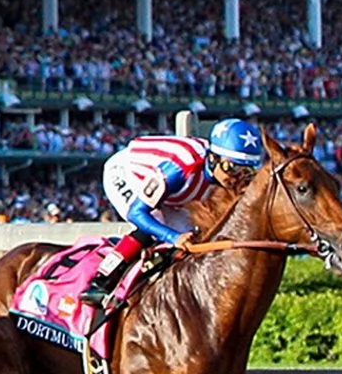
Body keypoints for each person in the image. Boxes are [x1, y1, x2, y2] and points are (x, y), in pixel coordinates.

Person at [82, 118, 264, 310]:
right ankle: (100, 282)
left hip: (169, 193)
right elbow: (138, 213)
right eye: (232, 168)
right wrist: (173, 237)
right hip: (126, 174)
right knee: (156, 227)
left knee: (192, 243)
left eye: (247, 172)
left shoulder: (222, 175)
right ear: (213, 158)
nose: (237, 177)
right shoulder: (182, 167)